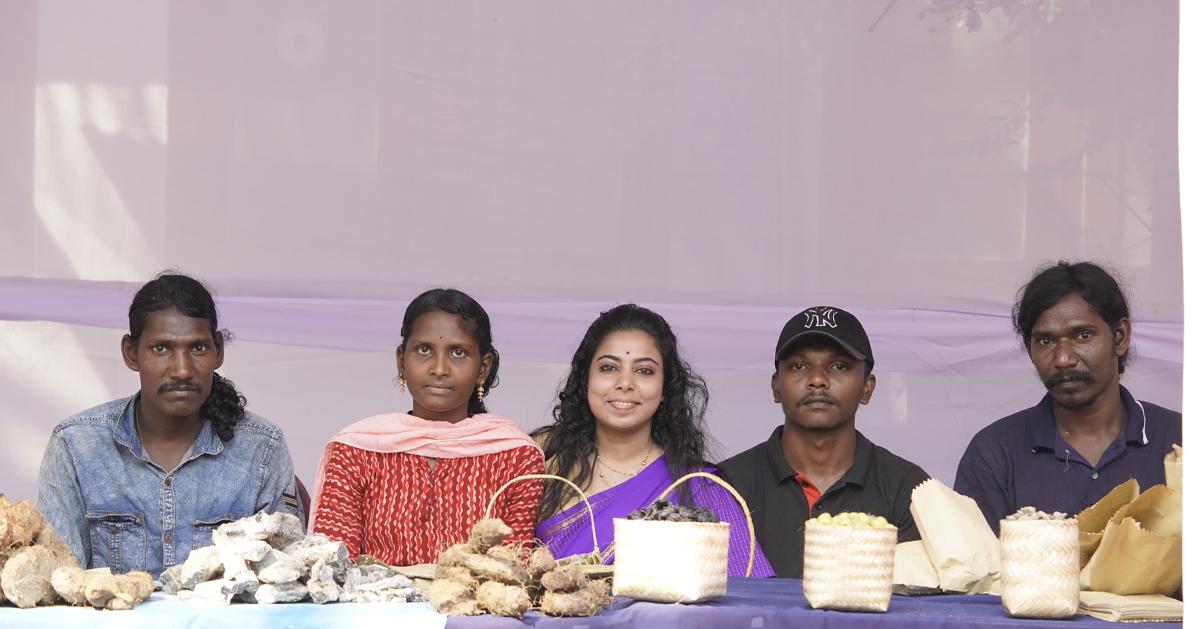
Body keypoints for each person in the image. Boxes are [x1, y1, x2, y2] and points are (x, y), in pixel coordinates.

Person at [36, 273, 303, 578]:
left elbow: (286, 584)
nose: (182, 370)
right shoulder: (76, 446)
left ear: (218, 350)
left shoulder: (262, 449)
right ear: (130, 353)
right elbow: (58, 584)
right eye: (161, 348)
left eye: (198, 348)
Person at [534, 304, 773, 577]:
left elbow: (749, 599)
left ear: (664, 389)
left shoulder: (698, 488)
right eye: (609, 368)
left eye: (644, 371)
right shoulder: (543, 466)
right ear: (586, 379)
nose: (625, 383)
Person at [310, 288, 543, 565]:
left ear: (483, 367)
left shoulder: (516, 457)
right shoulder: (354, 451)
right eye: (424, 350)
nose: (439, 368)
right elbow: (334, 565)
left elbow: (515, 568)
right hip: (372, 606)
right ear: (401, 361)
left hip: (478, 606)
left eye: (458, 352)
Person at [955, 261, 1182, 532]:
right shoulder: (995, 452)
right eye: (1046, 341)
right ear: (1029, 349)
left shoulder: (1180, 442)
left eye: (1083, 335)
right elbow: (975, 571)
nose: (1063, 358)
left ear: (1120, 337)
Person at [718, 306, 928, 578]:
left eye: (838, 366)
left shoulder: (910, 490)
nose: (817, 380)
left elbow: (921, 611)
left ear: (867, 388)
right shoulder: (726, 486)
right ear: (776, 386)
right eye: (799, 366)